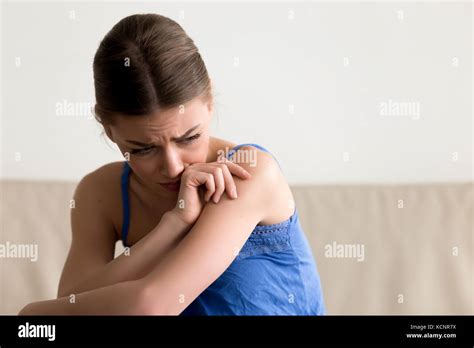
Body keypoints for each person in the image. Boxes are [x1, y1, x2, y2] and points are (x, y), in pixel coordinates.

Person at [18, 13, 325, 315]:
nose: (173, 167)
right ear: (108, 129)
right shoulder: (102, 193)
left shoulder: (249, 173)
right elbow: (69, 308)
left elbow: (153, 306)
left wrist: (32, 313)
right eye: (143, 149)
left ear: (209, 103)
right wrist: (174, 223)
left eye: (189, 138)